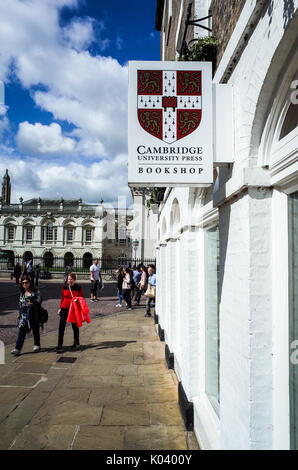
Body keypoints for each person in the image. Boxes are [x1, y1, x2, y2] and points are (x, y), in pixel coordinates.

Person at [10, 275, 42, 356]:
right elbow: (20, 304)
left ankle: (37, 345)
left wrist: (33, 303)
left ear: (30, 283)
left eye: (26, 282)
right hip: (24, 315)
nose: (24, 284)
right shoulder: (22, 293)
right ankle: (17, 348)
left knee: (35, 329)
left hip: (33, 314)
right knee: (22, 330)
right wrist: (19, 313)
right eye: (23, 283)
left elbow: (39, 300)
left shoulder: (35, 292)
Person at [56, 273, 84, 352]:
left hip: (74, 309)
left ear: (74, 280)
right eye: (68, 279)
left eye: (71, 279)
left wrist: (78, 302)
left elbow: (81, 298)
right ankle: (59, 345)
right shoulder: (64, 286)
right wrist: (60, 308)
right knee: (61, 326)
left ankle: (76, 343)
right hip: (64, 308)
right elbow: (62, 297)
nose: (70, 281)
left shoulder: (78, 287)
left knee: (75, 326)